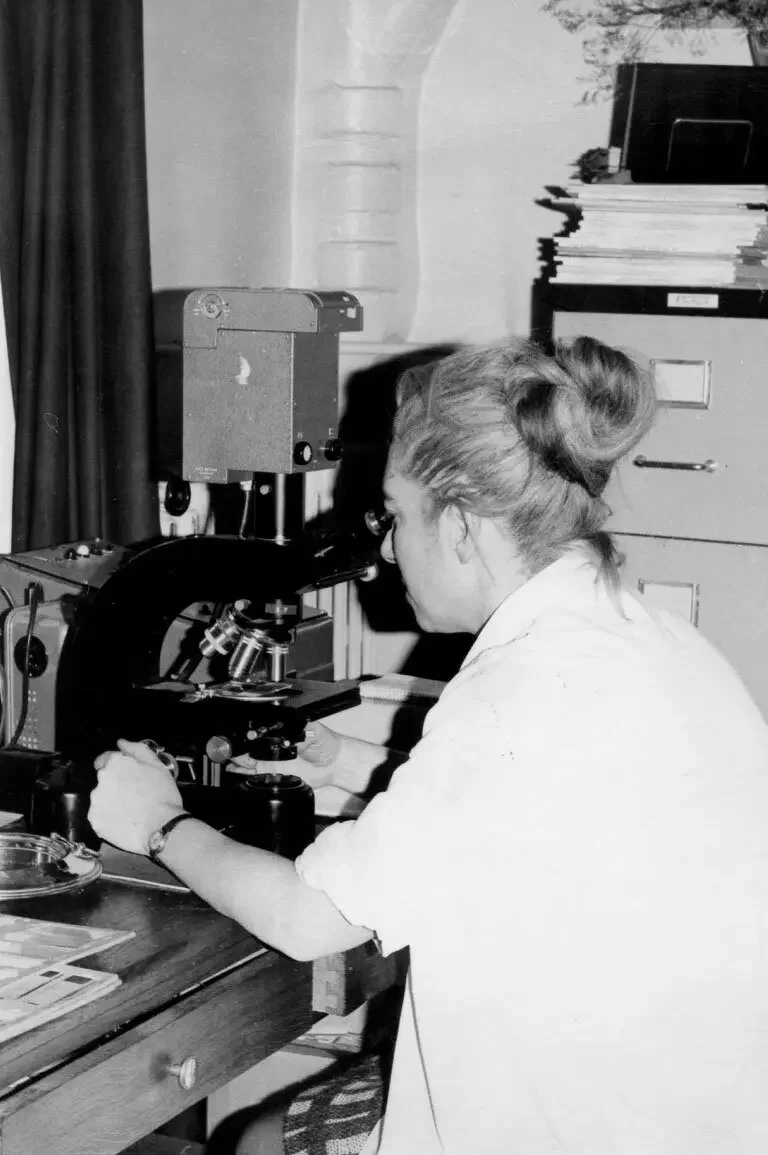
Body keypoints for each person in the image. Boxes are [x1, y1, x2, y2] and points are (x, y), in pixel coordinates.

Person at [89, 335, 768, 1155]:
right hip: (686, 1110)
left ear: (461, 525)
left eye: (398, 516)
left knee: (255, 1143)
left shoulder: (514, 695)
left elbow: (309, 920)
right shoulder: (654, 640)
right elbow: (525, 827)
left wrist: (159, 822)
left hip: (573, 1125)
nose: (382, 549)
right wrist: (341, 764)